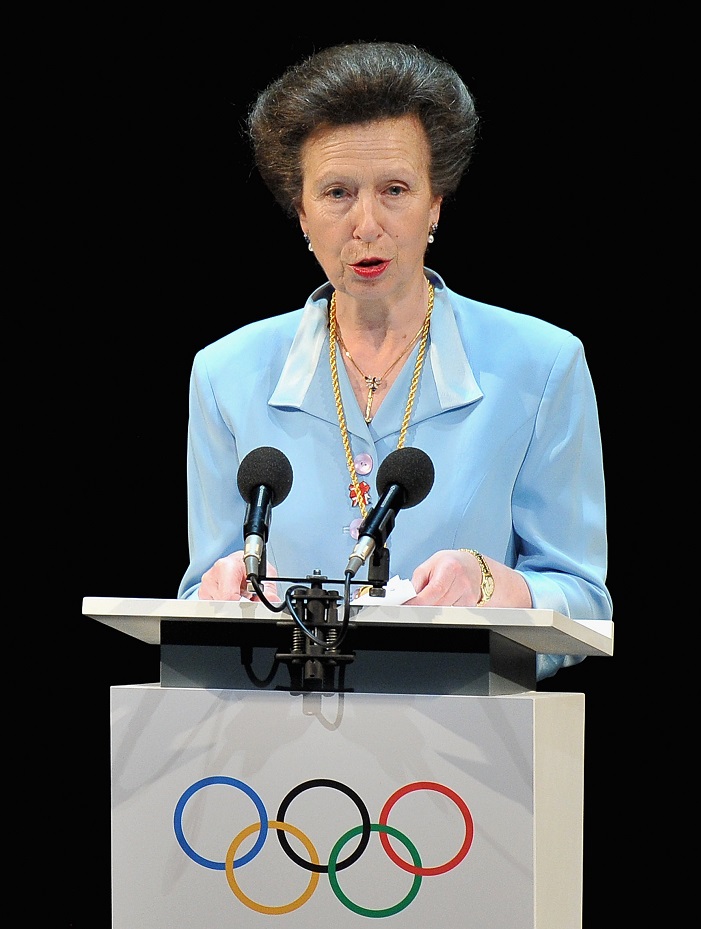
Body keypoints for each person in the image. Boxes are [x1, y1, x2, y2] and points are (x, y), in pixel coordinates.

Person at [178, 41, 611, 681]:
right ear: (300, 213)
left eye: (396, 190)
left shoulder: (542, 367)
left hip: (465, 751)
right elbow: (200, 598)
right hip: (276, 745)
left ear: (435, 204)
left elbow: (586, 606)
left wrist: (493, 584)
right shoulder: (225, 374)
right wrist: (219, 592)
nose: (367, 224)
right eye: (336, 193)